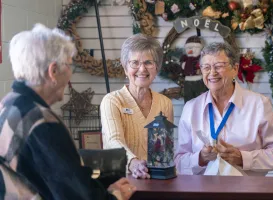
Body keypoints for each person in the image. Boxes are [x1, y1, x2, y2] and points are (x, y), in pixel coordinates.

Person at [0, 24, 135, 200]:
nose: (70, 74)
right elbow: (77, 196)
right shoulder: (42, 123)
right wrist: (116, 195)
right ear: (53, 71)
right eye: (70, 65)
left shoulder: (8, 104)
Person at [174, 42, 273, 176]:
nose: (212, 73)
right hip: (202, 193)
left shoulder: (259, 104)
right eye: (206, 67)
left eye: (219, 66)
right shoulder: (191, 108)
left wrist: (243, 158)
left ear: (235, 68)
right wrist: (201, 158)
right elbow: (179, 162)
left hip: (246, 193)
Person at [101, 34, 174, 179]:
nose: (142, 69)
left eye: (148, 62)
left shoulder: (164, 103)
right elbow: (113, 141)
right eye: (134, 63)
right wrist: (134, 163)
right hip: (120, 181)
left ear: (157, 68)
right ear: (125, 67)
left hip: (154, 183)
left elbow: (163, 153)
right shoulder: (112, 101)